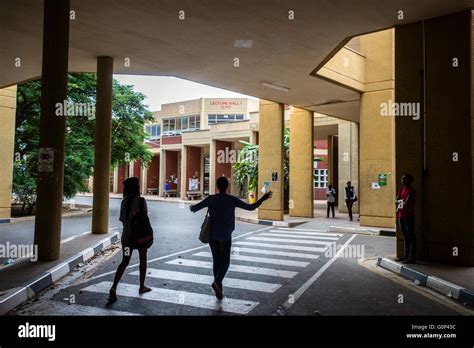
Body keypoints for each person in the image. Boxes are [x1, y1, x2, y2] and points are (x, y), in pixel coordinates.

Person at [190, 177, 273, 300]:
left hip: (212, 235)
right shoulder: (231, 199)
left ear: (217, 186)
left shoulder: (211, 199)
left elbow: (194, 208)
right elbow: (250, 207)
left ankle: (219, 290)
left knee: (216, 262)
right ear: (227, 186)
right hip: (225, 235)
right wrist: (263, 198)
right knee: (226, 262)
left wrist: (192, 206)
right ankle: (217, 283)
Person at [109, 177, 152, 302]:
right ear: (136, 188)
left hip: (127, 238)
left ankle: (114, 287)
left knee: (125, 261)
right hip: (140, 238)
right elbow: (144, 218)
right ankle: (142, 286)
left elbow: (122, 219)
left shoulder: (124, 202)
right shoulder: (141, 200)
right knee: (143, 259)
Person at [395, 173, 416, 264]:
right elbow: (396, 200)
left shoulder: (412, 191)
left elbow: (406, 203)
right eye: (402, 179)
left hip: (408, 216)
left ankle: (412, 257)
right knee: (405, 237)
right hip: (401, 216)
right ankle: (406, 255)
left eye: (404, 179)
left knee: (411, 237)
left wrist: (400, 202)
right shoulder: (401, 190)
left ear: (410, 180)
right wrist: (401, 202)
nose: (402, 180)